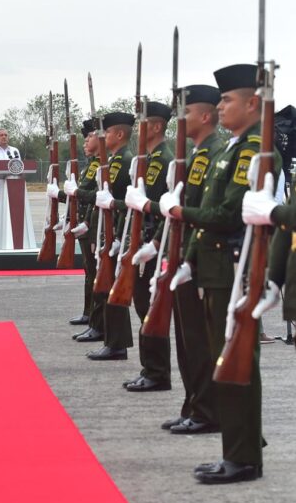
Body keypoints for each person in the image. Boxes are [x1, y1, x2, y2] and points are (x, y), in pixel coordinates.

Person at [161, 64, 281, 483]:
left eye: (227, 99)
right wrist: (190, 259)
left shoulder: (253, 150)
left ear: (252, 103)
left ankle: (244, 456)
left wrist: (178, 211)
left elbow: (227, 212)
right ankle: (237, 448)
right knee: (224, 360)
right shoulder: (231, 149)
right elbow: (209, 214)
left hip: (233, 266)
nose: (221, 105)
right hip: (213, 267)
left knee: (237, 360)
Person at [130, 86, 224, 430]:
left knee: (198, 342)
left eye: (186, 113)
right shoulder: (197, 154)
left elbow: (206, 211)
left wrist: (161, 211)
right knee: (188, 342)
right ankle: (193, 406)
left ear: (203, 116)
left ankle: (205, 411)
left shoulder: (214, 154)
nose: (180, 120)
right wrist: (158, 243)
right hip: (183, 254)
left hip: (202, 260)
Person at [115, 101, 172, 391]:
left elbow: (165, 204)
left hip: (153, 241)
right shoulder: (149, 158)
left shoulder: (163, 159)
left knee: (150, 308)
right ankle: (150, 368)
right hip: (144, 238)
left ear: (158, 126)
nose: (138, 128)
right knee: (142, 306)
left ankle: (157, 372)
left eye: (144, 123)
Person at [76, 112, 135, 360]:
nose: (102, 137)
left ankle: (116, 342)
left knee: (111, 286)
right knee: (104, 283)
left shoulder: (123, 161)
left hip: (117, 231)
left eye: (107, 132)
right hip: (106, 229)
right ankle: (112, 339)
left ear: (119, 134)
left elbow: (119, 200)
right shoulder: (113, 160)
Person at [47, 120, 101, 333]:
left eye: (90, 137)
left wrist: (60, 194)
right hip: (84, 223)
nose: (86, 142)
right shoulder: (90, 165)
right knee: (89, 271)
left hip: (91, 226)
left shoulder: (98, 165)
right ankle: (90, 314)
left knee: (94, 273)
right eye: (85, 138)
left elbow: (84, 195)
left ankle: (95, 319)